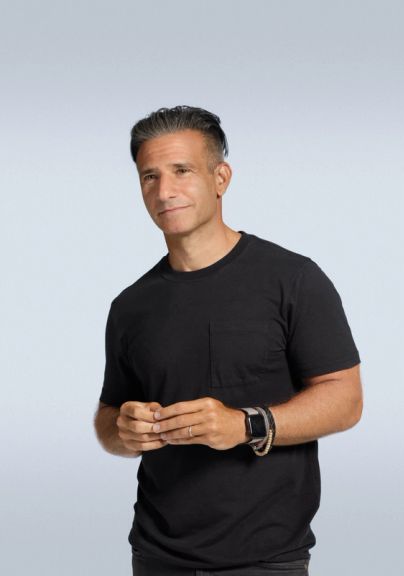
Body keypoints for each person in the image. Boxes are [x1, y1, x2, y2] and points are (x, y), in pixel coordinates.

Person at [93, 105, 363, 576]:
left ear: (220, 178)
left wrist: (244, 425)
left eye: (182, 171)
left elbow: (346, 400)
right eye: (150, 176)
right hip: (156, 556)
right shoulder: (130, 306)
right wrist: (124, 429)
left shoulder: (293, 279)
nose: (164, 190)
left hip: (266, 559)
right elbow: (107, 418)